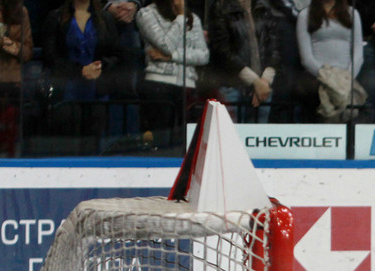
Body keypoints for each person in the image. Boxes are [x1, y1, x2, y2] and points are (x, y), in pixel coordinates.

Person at [41, 0, 121, 155]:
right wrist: (80, 70)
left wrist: (101, 66)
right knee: (66, 148)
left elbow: (116, 54)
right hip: (66, 92)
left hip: (97, 92)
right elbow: (50, 56)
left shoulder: (105, 19)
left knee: (93, 146)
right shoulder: (56, 17)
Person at [135, 0, 209, 149]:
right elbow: (166, 45)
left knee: (184, 145)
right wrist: (181, 17)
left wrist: (173, 57)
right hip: (159, 85)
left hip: (187, 86)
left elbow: (203, 55)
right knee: (160, 143)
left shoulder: (193, 18)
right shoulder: (147, 14)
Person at [206, 0, 283, 123]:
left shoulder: (264, 7)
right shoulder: (221, 7)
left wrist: (264, 81)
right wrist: (255, 81)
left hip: (263, 87)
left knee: (258, 138)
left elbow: (274, 47)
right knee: (230, 137)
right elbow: (222, 51)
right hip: (232, 87)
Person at [294, 0, 364, 121]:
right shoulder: (305, 15)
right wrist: (328, 79)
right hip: (317, 79)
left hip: (346, 78)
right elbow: (306, 58)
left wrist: (345, 79)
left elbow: (358, 54)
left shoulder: (353, 14)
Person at [0, 0, 32, 156]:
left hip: (13, 83)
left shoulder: (20, 10)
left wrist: (15, 47)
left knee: (11, 129)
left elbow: (28, 52)